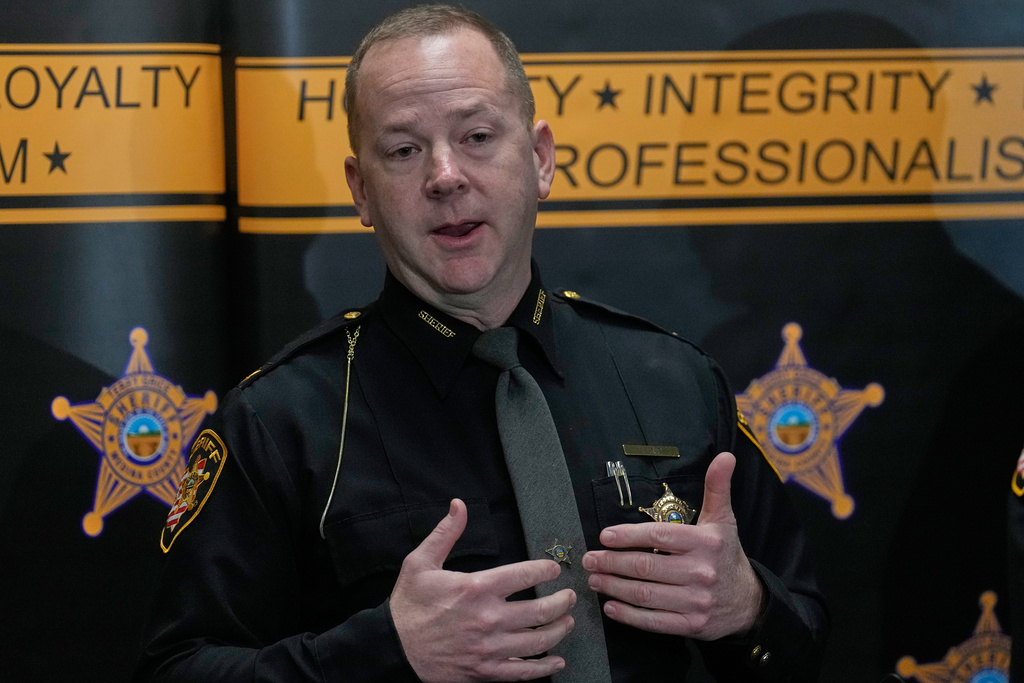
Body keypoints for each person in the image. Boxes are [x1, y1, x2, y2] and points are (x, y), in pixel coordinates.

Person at [134, 4, 827, 681]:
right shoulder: (278, 423)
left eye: (477, 137)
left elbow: (808, 638)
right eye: (404, 150)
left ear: (541, 158)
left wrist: (747, 609)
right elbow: (176, 666)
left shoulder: (676, 381)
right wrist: (384, 653)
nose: (445, 176)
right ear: (361, 192)